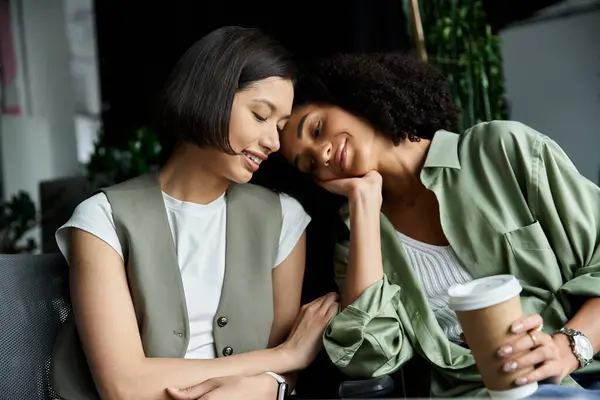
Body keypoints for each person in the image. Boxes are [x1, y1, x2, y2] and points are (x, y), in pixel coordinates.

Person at [277, 53, 600, 398]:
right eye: (309, 164)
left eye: (316, 128)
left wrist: (568, 349)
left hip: (583, 375)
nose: (322, 155)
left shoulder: (501, 151)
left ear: (349, 98)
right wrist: (365, 208)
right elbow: (370, 359)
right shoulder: (355, 242)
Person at [50, 26, 338, 400]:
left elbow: (280, 380)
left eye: (280, 126)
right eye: (260, 115)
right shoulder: (101, 219)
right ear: (210, 96)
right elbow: (123, 386)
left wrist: (262, 380)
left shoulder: (283, 220)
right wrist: (283, 355)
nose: (273, 141)